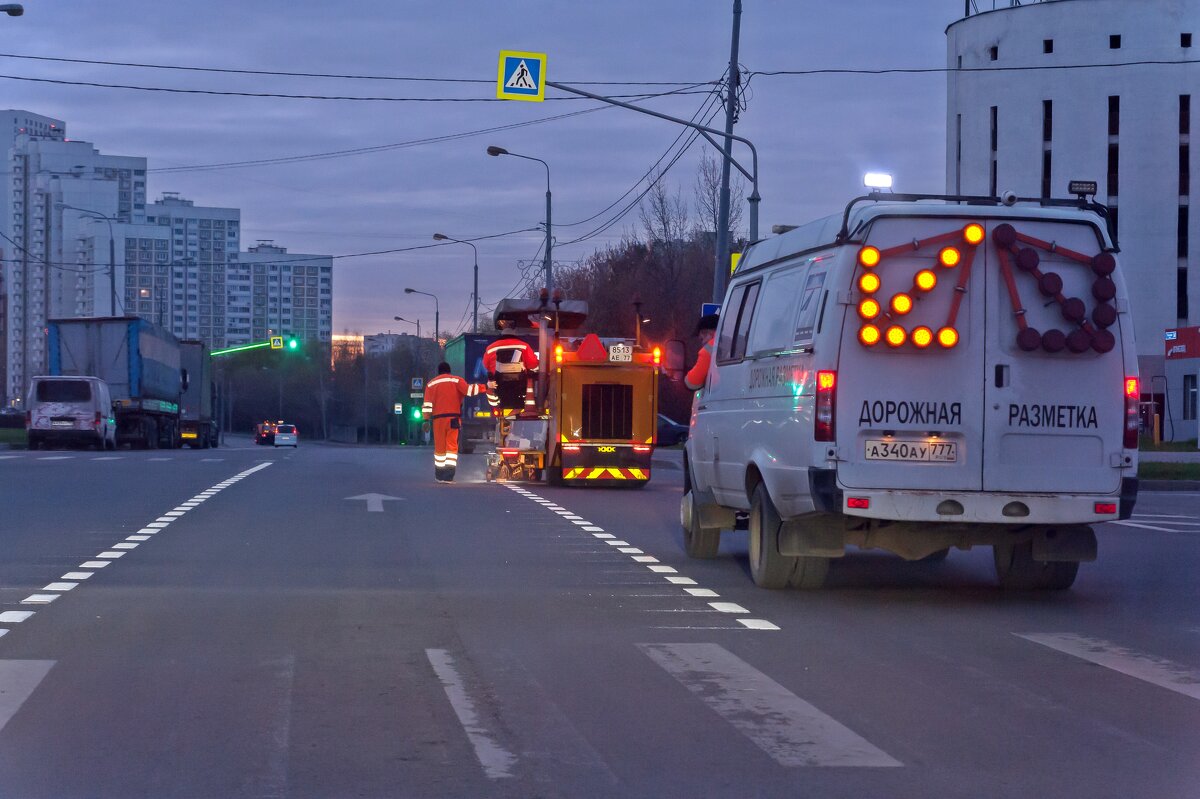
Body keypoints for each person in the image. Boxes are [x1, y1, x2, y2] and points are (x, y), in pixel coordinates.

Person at [421, 362, 485, 482]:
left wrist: (426, 419)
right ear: (449, 371)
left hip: (438, 420)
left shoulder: (431, 384)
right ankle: (449, 476)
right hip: (453, 419)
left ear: (438, 372)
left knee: (440, 447)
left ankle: (439, 475)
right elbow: (469, 390)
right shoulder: (456, 381)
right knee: (451, 446)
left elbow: (427, 405)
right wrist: (485, 387)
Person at [482, 327, 539, 415]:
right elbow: (533, 364)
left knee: (490, 383)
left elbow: (486, 365)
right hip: (520, 385)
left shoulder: (490, 348)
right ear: (515, 336)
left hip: (498, 386)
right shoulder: (524, 346)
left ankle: (499, 411)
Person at [684, 313, 719, 391]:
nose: (702, 344)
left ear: (709, 333)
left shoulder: (710, 349)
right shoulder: (738, 341)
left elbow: (691, 383)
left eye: (702, 339)